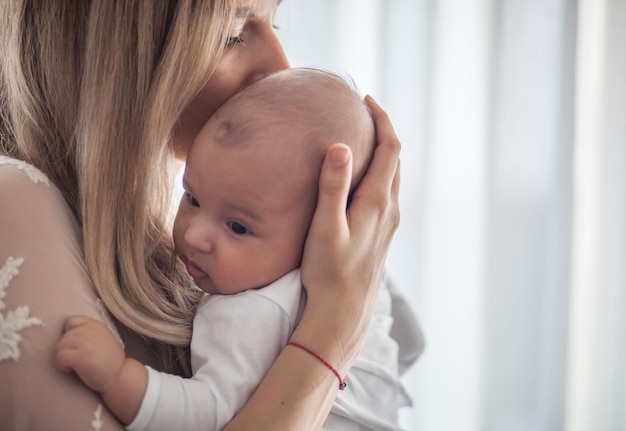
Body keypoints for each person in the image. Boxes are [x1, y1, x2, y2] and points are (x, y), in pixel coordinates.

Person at [0, 1, 423, 430]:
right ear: (115, 53)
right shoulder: (17, 202)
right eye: (232, 35)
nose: (280, 66)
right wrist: (335, 324)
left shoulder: (227, 244)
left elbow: (402, 348)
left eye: (274, 23)